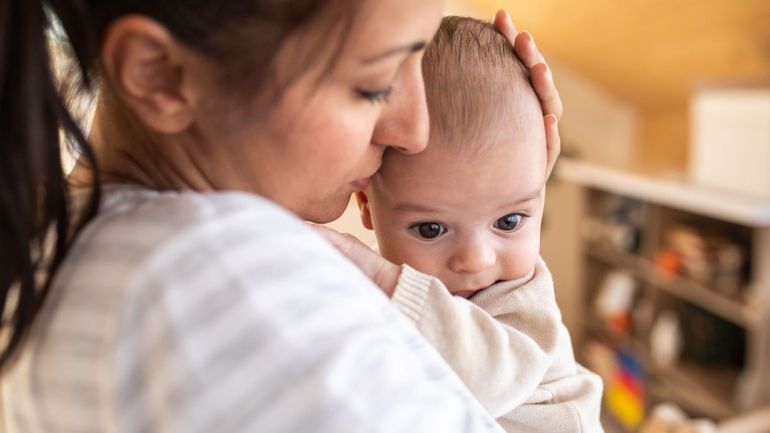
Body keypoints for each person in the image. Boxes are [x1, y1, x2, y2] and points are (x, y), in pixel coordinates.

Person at [0, 1, 563, 432]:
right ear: (159, 74)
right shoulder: (221, 275)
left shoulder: (70, 238)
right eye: (373, 84)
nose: (415, 132)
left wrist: (501, 182)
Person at [341, 17, 604, 432]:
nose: (475, 259)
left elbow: (484, 378)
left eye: (509, 220)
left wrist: (379, 277)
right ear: (366, 206)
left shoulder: (521, 299)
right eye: (431, 229)